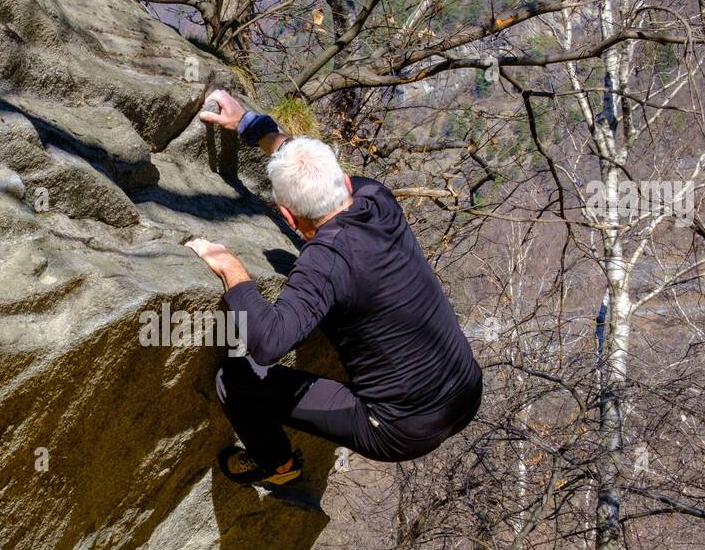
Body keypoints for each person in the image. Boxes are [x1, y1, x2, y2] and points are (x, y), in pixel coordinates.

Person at [185, 90, 482, 486]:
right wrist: (250, 125)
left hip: (398, 430)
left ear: (289, 217)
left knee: (235, 381)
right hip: (466, 390)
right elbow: (315, 171)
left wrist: (231, 268)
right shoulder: (377, 199)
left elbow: (270, 342)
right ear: (344, 182)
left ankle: (278, 466)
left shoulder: (324, 262)